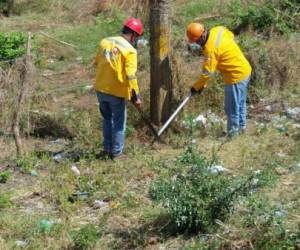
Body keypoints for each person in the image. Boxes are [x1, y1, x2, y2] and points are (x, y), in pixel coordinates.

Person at [186, 23, 252, 136]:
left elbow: (207, 73)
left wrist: (196, 87)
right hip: (245, 70)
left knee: (231, 108)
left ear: (202, 37)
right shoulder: (218, 30)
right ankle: (241, 129)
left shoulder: (210, 50)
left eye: (197, 41)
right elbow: (230, 34)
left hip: (235, 76)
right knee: (240, 104)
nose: (197, 44)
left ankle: (233, 135)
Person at [94, 18, 143, 159]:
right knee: (119, 122)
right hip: (116, 92)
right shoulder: (130, 51)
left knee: (107, 119)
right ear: (133, 35)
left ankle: (106, 149)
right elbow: (131, 76)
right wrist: (136, 96)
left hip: (100, 89)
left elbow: (97, 62)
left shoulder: (104, 42)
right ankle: (116, 153)